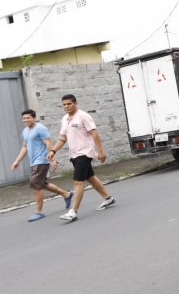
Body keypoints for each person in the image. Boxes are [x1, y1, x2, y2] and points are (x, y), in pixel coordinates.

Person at [48, 94, 115, 222]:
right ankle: (108, 198)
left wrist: (101, 151)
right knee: (90, 177)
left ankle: (73, 212)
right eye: (64, 104)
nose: (66, 106)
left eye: (69, 103)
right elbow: (62, 138)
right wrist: (53, 150)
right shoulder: (65, 119)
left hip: (84, 153)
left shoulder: (83, 116)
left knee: (78, 182)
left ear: (75, 103)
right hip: (74, 154)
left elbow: (94, 134)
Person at [11, 109, 73, 222]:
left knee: (35, 184)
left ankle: (39, 212)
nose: (26, 120)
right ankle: (66, 194)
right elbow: (25, 147)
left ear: (34, 118)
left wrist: (52, 160)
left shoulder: (40, 128)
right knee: (42, 183)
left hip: (42, 160)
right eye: (24, 118)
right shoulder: (25, 131)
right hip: (33, 162)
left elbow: (48, 143)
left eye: (28, 118)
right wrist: (17, 161)